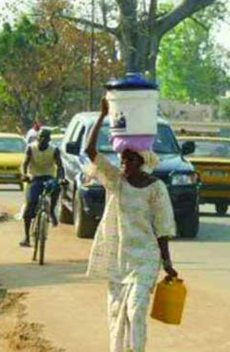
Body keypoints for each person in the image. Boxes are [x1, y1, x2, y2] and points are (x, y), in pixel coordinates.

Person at [86, 97, 178, 352]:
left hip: (145, 258)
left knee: (136, 310)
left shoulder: (155, 189)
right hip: (119, 258)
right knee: (117, 313)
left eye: (130, 160)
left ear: (142, 161)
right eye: (123, 160)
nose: (124, 164)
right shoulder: (116, 182)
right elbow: (90, 152)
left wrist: (167, 263)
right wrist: (102, 116)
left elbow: (163, 228)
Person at [20, 128, 64, 246]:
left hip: (49, 178)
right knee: (30, 205)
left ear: (49, 140)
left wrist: (61, 178)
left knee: (57, 187)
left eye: (45, 138)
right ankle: (27, 237)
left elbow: (60, 166)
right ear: (37, 138)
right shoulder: (31, 148)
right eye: (40, 138)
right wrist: (24, 175)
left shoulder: (54, 150)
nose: (42, 140)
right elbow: (25, 163)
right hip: (34, 178)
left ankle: (52, 211)